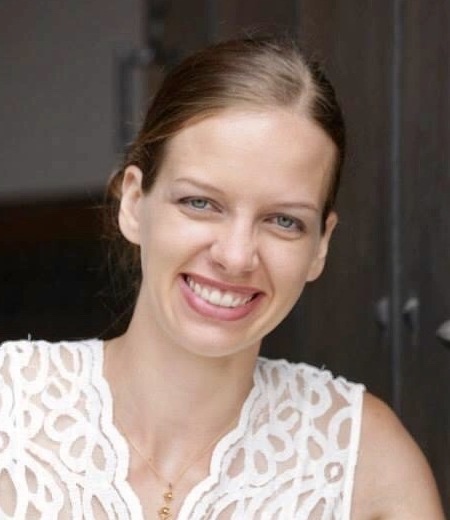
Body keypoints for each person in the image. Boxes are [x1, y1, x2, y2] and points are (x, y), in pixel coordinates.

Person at [0, 36, 444, 520]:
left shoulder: (369, 464)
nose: (236, 257)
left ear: (320, 245)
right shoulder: (10, 408)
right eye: (201, 203)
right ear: (133, 203)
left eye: (284, 221)